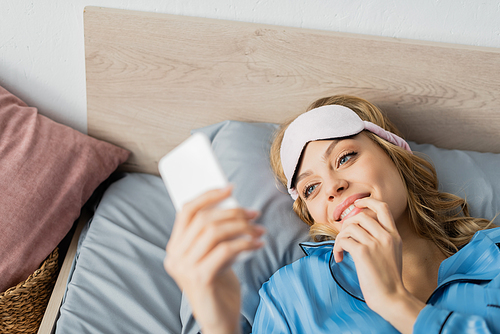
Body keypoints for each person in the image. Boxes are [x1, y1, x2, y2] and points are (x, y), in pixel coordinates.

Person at [164, 95, 499, 334]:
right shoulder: (293, 294)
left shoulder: (494, 257)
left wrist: (393, 301)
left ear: (396, 155)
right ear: (315, 218)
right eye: (311, 188)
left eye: (345, 157)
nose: (332, 188)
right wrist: (218, 326)